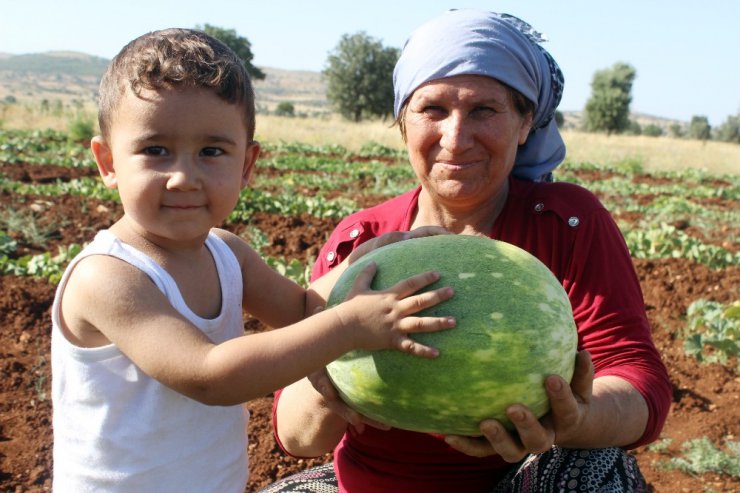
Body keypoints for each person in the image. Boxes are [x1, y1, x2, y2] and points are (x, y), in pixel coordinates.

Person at [267, 9, 672, 493]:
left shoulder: (567, 221)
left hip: (522, 482)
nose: (456, 139)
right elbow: (294, 434)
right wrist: (330, 371)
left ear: (525, 122)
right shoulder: (360, 239)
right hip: (368, 485)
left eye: (484, 110)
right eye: (433, 109)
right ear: (403, 124)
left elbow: (640, 381)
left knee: (595, 473)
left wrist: (574, 419)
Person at [50, 28, 458, 493]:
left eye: (211, 152)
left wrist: (369, 258)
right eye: (155, 150)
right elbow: (209, 375)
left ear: (246, 165)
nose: (184, 177)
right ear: (107, 162)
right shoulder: (107, 277)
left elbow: (304, 308)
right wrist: (351, 325)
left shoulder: (227, 253)